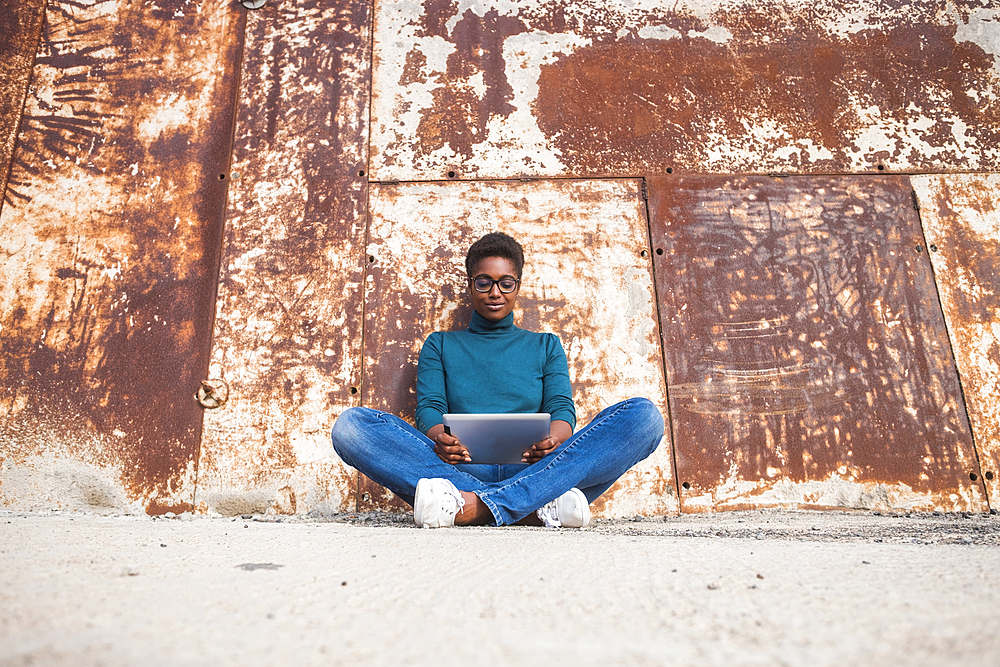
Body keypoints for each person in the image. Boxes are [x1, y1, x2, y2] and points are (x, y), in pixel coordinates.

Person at [331, 232, 664, 528]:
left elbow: (561, 407)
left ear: (518, 285)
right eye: (484, 282)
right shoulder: (441, 344)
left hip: (538, 467)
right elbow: (430, 408)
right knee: (351, 427)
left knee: (644, 418)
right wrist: (440, 437)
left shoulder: (545, 345)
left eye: (506, 283)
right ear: (470, 285)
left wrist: (554, 440)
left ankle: (469, 506)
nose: (495, 292)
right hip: (459, 469)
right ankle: (534, 508)